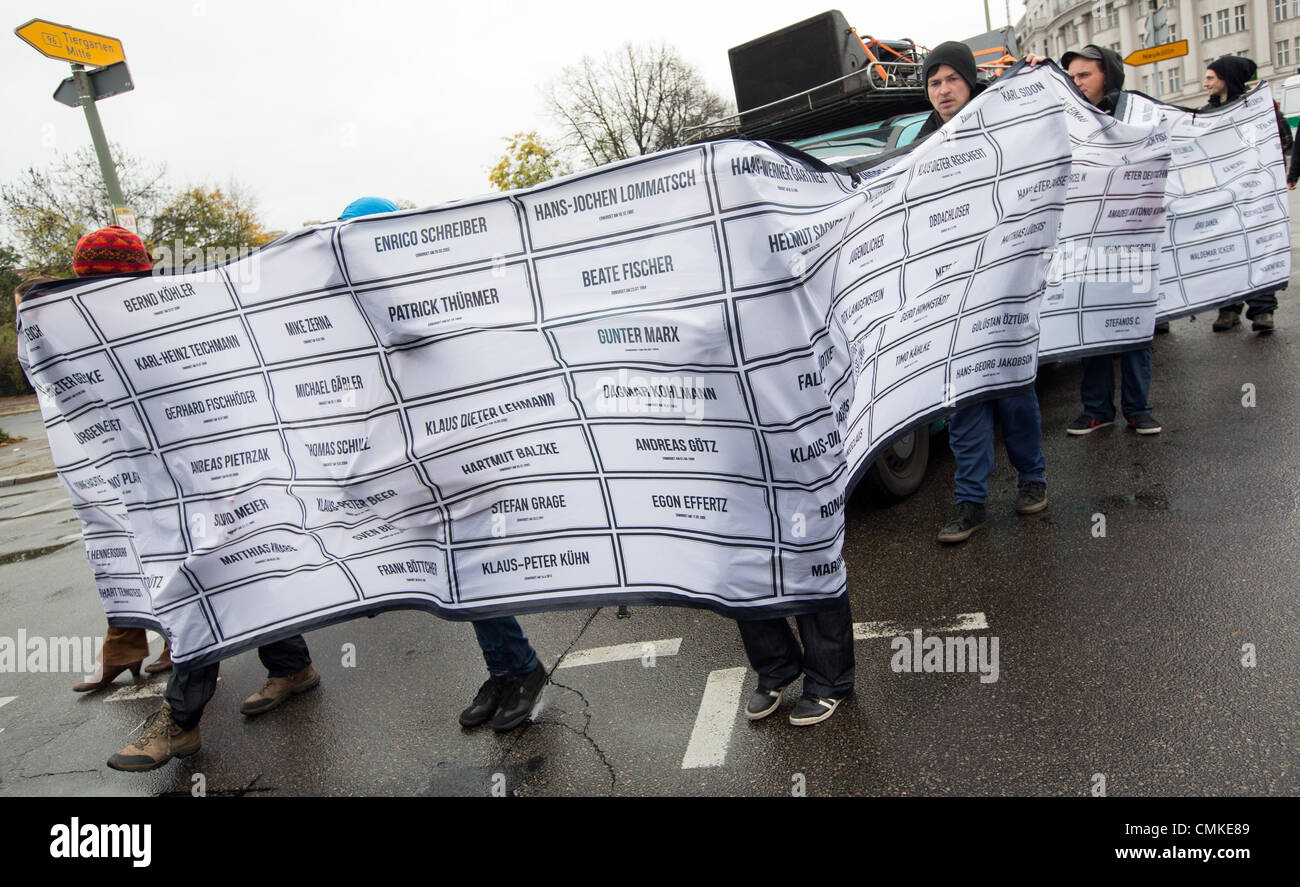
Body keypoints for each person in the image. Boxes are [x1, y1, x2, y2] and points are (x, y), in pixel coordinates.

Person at [74, 226, 319, 770]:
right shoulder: (96, 330)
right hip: (163, 491)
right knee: (245, 579)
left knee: (199, 590)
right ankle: (293, 666)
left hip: (212, 484)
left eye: (96, 281)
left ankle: (179, 724)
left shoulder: (166, 320)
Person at [336, 195, 550, 732]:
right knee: (455, 572)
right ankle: (503, 671)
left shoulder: (427, 289)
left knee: (474, 567)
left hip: (462, 453)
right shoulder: (362, 304)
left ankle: (522, 668)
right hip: (420, 460)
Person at [14, 235, 175, 691]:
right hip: (109, 455)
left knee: (166, 546)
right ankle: (126, 642)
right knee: (116, 545)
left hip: (158, 458)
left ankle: (176, 645)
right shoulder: (71, 321)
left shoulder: (154, 314)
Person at [918, 42, 1049, 544]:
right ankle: (969, 502)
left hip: (1005, 282)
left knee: (1014, 389)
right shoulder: (921, 149)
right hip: (952, 293)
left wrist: (1041, 72)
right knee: (963, 397)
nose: (944, 90)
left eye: (952, 79)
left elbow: (1046, 124)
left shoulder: (1003, 120)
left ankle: (1031, 479)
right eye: (934, 82)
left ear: (971, 81)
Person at [1029, 45, 1164, 437]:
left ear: (1108, 76)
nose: (1076, 83)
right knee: (1093, 327)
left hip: (1132, 244)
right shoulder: (1062, 119)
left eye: (1084, 75)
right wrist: (1035, 70)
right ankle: (1096, 410)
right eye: (1070, 77)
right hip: (1083, 246)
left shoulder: (1139, 114)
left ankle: (1139, 409)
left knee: (1135, 327)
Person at [1203, 56, 1281, 334]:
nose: (1205, 83)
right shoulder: (1205, 114)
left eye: (1211, 78)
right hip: (1222, 199)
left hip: (1255, 195)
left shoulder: (1257, 109)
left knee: (1258, 249)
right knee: (1227, 254)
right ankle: (1228, 310)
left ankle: (1263, 310)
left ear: (1226, 78)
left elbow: (1280, 139)